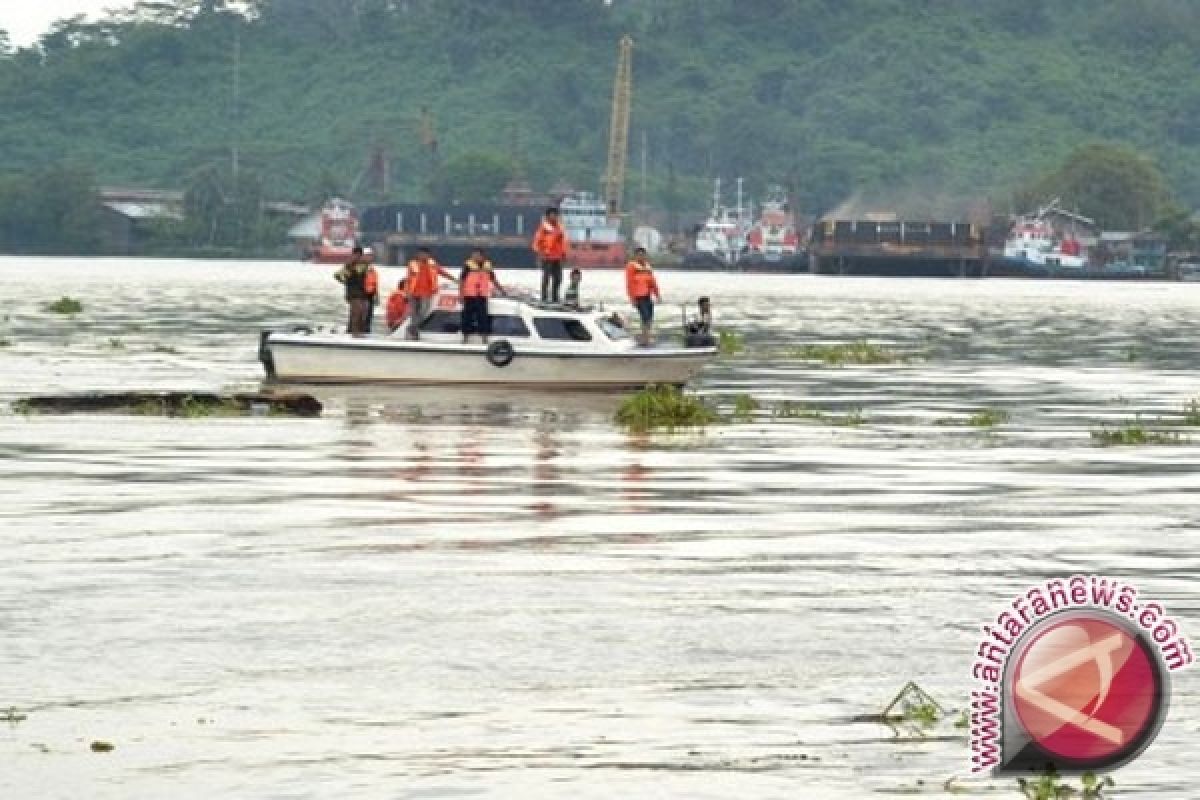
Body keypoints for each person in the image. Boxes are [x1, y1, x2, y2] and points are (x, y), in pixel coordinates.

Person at [404, 247, 457, 340]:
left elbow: (442, 272)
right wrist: (407, 292)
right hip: (413, 293)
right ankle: (414, 334)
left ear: (428, 255)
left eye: (425, 254)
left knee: (423, 312)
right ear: (418, 255)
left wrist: (454, 279)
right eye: (421, 254)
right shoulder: (412, 264)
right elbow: (408, 279)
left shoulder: (432, 264)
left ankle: (411, 328)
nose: (423, 256)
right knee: (414, 314)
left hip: (426, 293)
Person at [459, 248, 506, 344]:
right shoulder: (467, 266)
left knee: (483, 317)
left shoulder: (487, 266)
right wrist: (461, 294)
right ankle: (465, 337)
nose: (474, 257)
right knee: (467, 317)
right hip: (469, 295)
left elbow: (493, 279)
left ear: (482, 256)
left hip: (482, 296)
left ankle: (484, 337)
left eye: (477, 255)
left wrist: (502, 290)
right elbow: (462, 281)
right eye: (473, 255)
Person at [624, 246, 661, 345]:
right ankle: (645, 339)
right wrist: (632, 299)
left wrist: (657, 295)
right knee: (644, 317)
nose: (641, 256)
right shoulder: (631, 266)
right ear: (635, 256)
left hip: (647, 296)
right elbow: (629, 283)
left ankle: (646, 336)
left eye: (643, 254)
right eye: (639, 255)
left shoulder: (647, 267)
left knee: (649, 317)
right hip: (638, 297)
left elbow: (653, 282)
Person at [531, 206, 568, 304]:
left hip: (557, 257)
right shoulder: (543, 228)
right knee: (546, 278)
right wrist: (540, 253)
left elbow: (563, 242)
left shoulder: (560, 228)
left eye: (555, 215)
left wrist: (564, 254)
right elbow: (536, 242)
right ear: (547, 216)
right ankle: (544, 298)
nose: (554, 217)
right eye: (552, 215)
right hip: (546, 257)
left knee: (558, 278)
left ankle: (555, 298)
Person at [334, 245, 372, 336]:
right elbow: (337, 275)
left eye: (359, 255)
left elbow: (365, 271)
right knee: (357, 311)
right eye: (356, 255)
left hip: (362, 292)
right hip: (352, 292)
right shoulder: (349, 265)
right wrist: (346, 282)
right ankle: (355, 333)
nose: (357, 256)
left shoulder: (363, 264)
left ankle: (360, 331)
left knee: (364, 311)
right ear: (353, 254)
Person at [363, 251, 379, 333]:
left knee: (369, 315)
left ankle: (367, 330)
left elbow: (375, 283)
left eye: (370, 256)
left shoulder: (373, 270)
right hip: (363, 294)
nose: (369, 258)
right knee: (362, 315)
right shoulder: (360, 268)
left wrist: (377, 296)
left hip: (371, 295)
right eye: (367, 256)